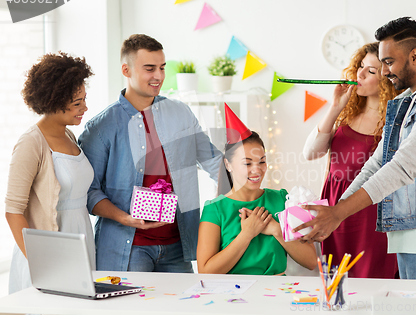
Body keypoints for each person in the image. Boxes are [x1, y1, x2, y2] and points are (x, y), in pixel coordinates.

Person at [295, 17, 416, 280]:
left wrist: (338, 212)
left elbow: (402, 166)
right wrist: (337, 213)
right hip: (404, 230)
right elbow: (377, 162)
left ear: (415, 56)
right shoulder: (407, 102)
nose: (384, 72)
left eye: (388, 62)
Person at [79, 34, 221, 272]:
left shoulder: (181, 113)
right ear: (126, 69)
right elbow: (89, 192)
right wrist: (125, 218)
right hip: (129, 247)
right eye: (149, 68)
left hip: (178, 245)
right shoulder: (101, 128)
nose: (159, 76)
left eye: (162, 68)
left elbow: (215, 162)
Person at [303, 42, 400, 279]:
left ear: (386, 80)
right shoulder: (347, 112)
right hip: (334, 209)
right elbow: (310, 153)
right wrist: (335, 107)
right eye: (361, 66)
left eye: (371, 71)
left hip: (369, 215)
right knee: (337, 285)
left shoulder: (394, 123)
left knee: (369, 280)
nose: (360, 74)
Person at [5, 52, 95, 293]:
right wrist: (41, 262)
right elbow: (13, 211)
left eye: (84, 99)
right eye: (77, 103)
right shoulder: (31, 143)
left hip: (80, 241)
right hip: (48, 253)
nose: (85, 108)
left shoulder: (69, 135)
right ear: (54, 101)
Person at [197, 104, 317, 275]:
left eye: (261, 161)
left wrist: (277, 230)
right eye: (247, 163)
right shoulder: (214, 209)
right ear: (228, 164)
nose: (257, 169)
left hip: (276, 294)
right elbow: (206, 272)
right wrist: (247, 234)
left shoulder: (283, 199)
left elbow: (311, 261)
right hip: (230, 296)